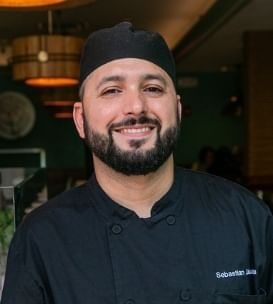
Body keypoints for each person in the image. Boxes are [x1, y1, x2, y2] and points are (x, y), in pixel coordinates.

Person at [1, 22, 273, 304]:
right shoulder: (41, 237)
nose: (136, 106)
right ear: (81, 120)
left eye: (153, 88)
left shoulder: (247, 216)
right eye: (112, 91)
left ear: (177, 111)